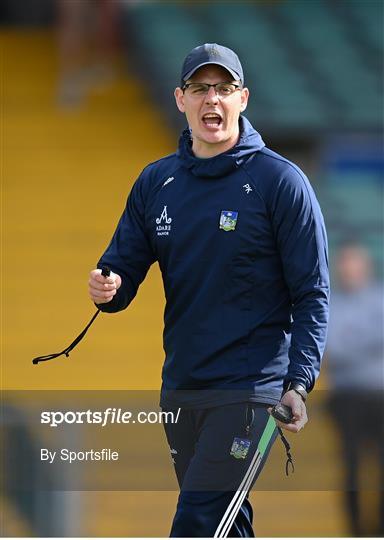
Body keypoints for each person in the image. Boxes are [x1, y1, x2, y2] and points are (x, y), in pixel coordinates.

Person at [88, 43, 330, 537]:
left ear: (243, 98)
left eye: (223, 88)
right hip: (181, 385)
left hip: (250, 391)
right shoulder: (157, 182)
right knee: (224, 524)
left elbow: (312, 294)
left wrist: (299, 381)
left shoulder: (280, 182)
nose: (211, 100)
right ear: (181, 99)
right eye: (200, 89)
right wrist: (108, 284)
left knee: (198, 524)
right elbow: (123, 268)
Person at [326, 242, 383, 537]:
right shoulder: (329, 304)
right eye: (345, 263)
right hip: (346, 398)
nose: (349, 269)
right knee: (352, 468)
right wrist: (365, 342)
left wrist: (350, 342)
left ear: (366, 266)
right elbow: (329, 347)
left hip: (380, 396)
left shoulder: (380, 298)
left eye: (355, 262)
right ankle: (356, 531)